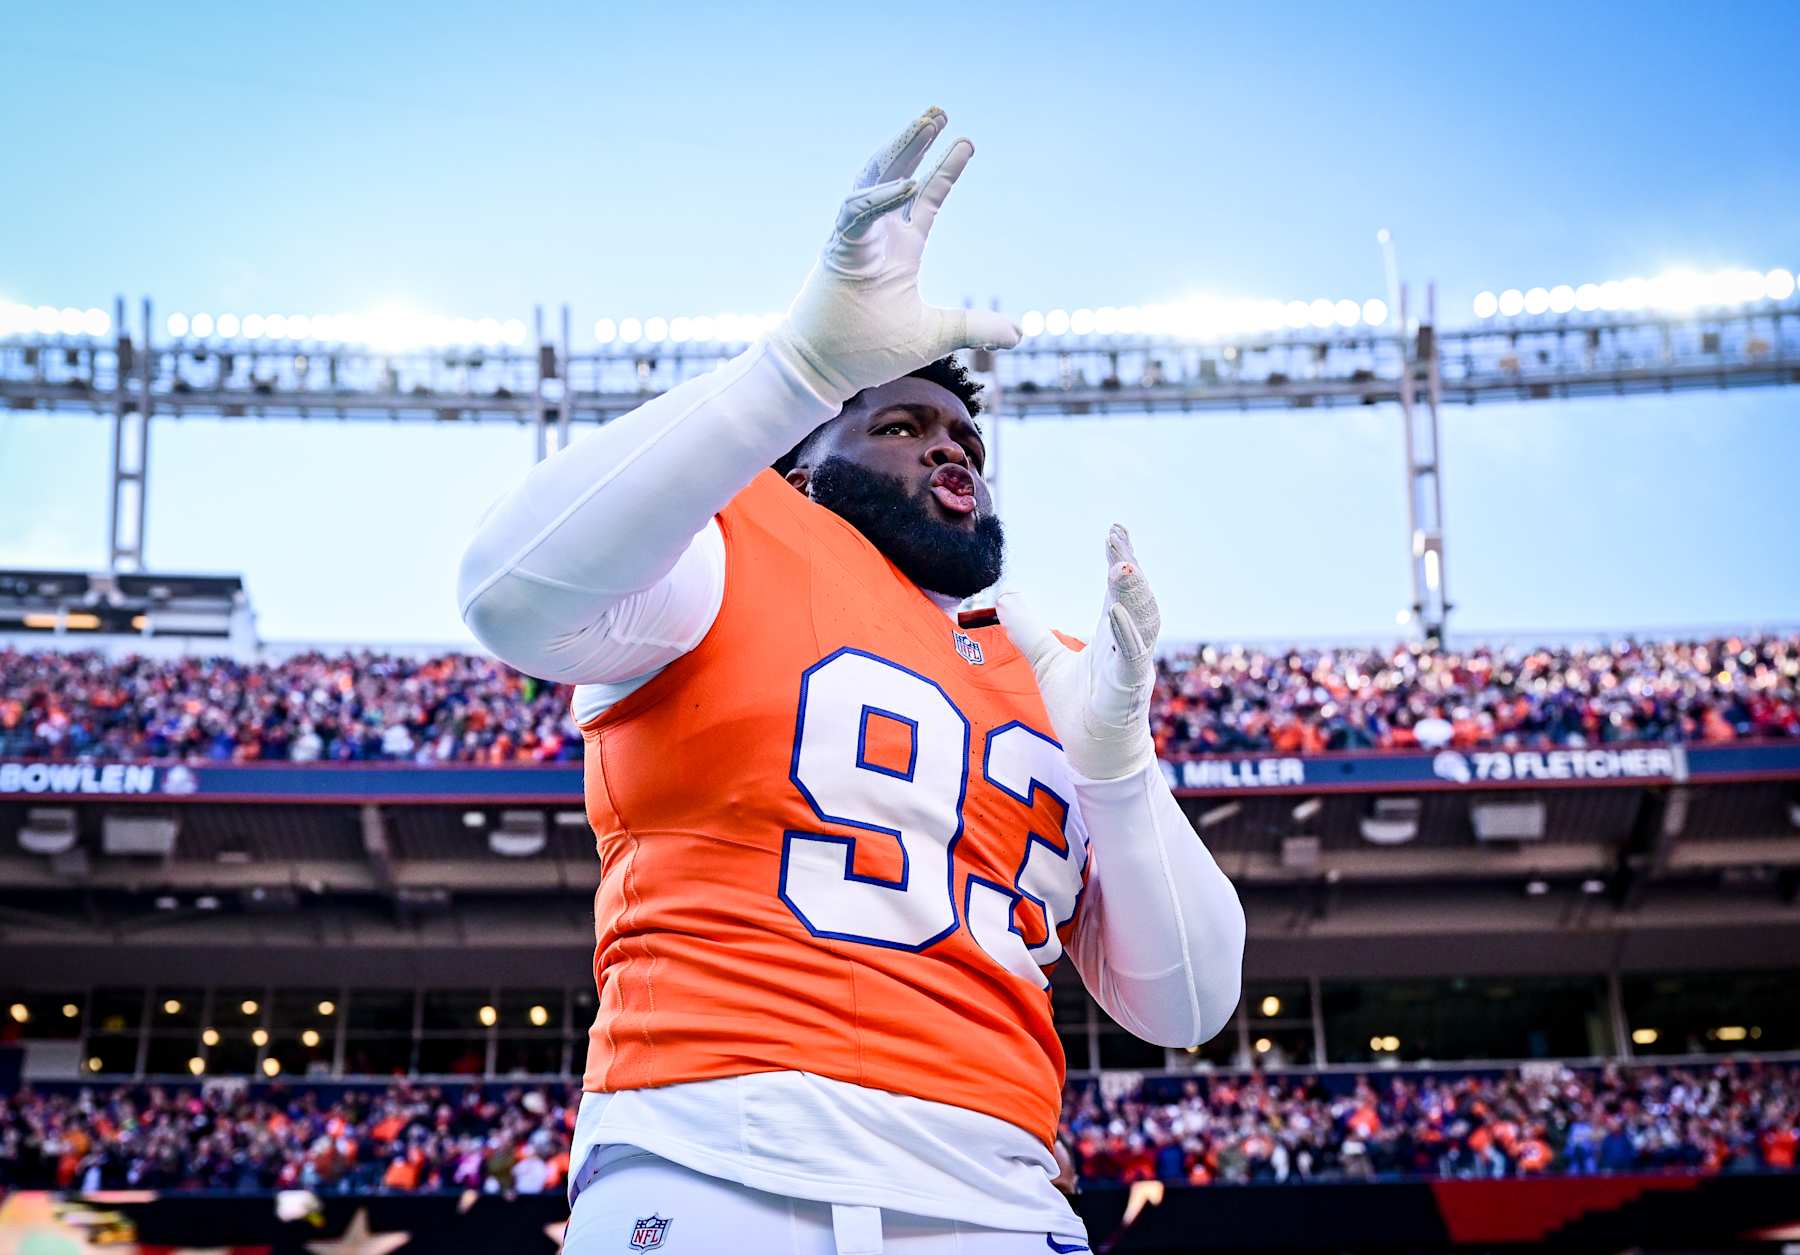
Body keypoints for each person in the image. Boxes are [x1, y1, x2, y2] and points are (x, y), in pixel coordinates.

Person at [459, 108, 1245, 1255]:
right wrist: (797, 366)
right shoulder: (735, 540)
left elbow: (1188, 1004)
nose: (950, 448)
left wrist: (1123, 771)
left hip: (1004, 1184)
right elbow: (507, 591)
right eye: (901, 422)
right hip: (720, 1148)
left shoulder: (1052, 666)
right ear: (801, 461)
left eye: (965, 441)